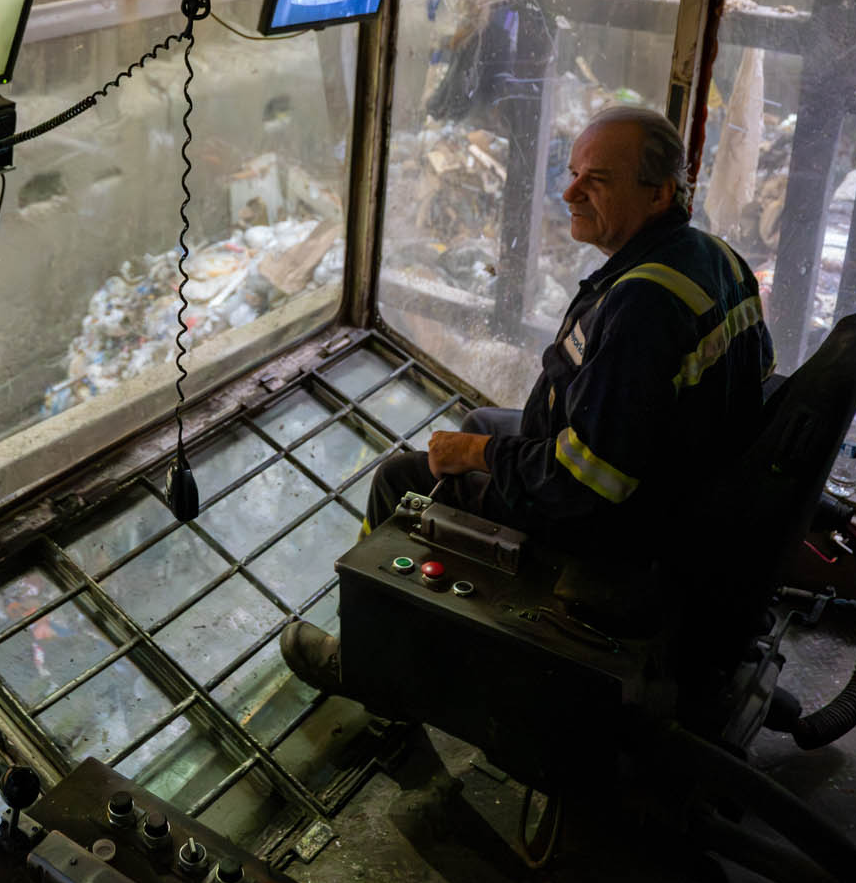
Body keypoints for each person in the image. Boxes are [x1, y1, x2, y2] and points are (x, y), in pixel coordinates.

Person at [279, 104, 775, 692]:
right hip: (678, 479)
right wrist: (489, 441)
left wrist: (477, 455)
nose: (569, 192)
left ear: (660, 193)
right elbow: (754, 375)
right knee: (482, 420)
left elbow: (589, 483)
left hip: (624, 525)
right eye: (572, 173)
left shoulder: (643, 305)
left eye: (597, 180)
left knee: (402, 481)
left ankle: (368, 668)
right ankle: (445, 626)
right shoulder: (713, 256)